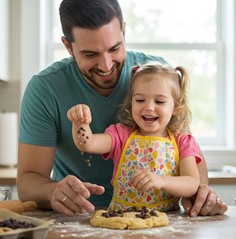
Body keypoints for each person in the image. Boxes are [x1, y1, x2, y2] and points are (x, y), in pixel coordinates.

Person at [17, 0, 227, 217]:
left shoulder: (154, 77)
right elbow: (28, 180)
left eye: (114, 48)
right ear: (68, 46)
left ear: (124, 31)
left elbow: (187, 150)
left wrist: (200, 193)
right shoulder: (45, 89)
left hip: (157, 217)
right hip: (78, 216)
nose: (106, 66)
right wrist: (54, 191)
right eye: (90, 54)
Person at [67, 62, 201, 211]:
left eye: (159, 101)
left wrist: (161, 181)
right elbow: (87, 143)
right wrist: (80, 123)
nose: (149, 107)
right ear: (131, 103)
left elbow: (192, 184)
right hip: (121, 219)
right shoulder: (122, 135)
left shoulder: (182, 141)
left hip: (167, 223)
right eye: (140, 100)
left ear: (176, 107)